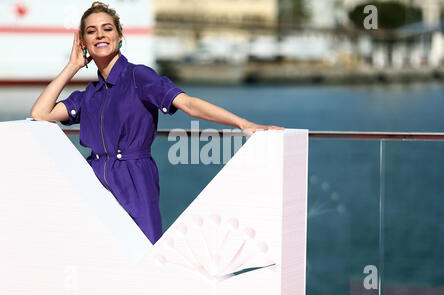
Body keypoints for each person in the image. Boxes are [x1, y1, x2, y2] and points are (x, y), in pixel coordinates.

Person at [30, 2, 285, 244]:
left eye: (107, 29)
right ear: (83, 42)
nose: (100, 35)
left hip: (135, 181)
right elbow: (41, 113)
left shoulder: (139, 76)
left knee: (144, 257)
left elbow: (188, 104)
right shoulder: (89, 94)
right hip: (93, 185)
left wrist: (242, 123)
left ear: (120, 36)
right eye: (91, 31)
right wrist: (72, 65)